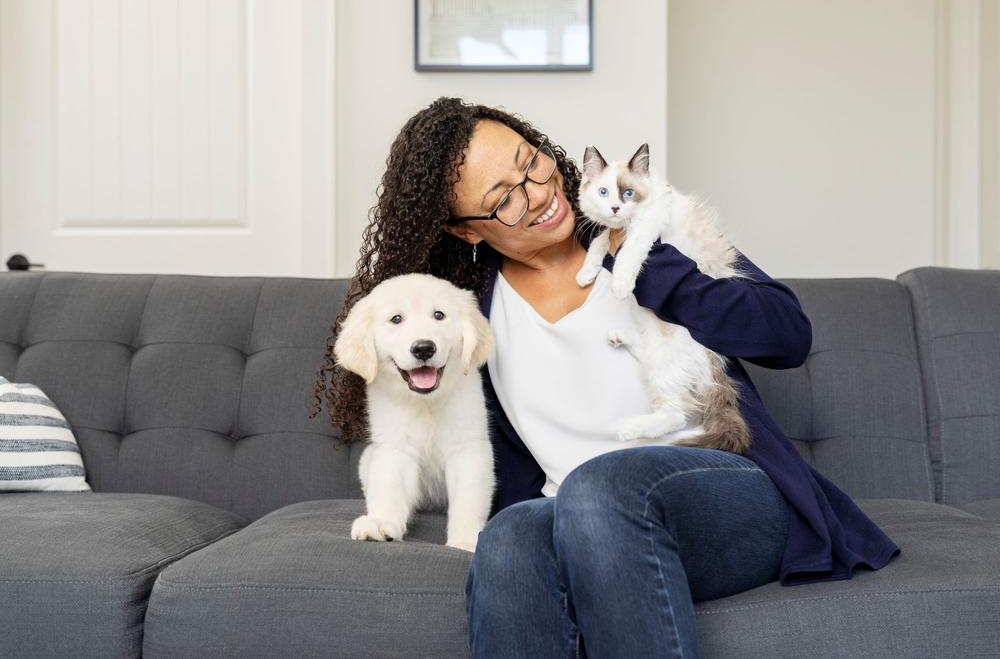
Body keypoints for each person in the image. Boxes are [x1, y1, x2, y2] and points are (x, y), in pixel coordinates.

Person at [311, 97, 901, 657]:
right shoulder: (472, 316)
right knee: (512, 537)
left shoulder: (651, 235)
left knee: (600, 488)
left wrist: (654, 270)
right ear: (467, 230)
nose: (540, 193)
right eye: (505, 197)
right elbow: (411, 398)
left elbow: (787, 335)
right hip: (582, 521)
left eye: (532, 162)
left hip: (724, 491)